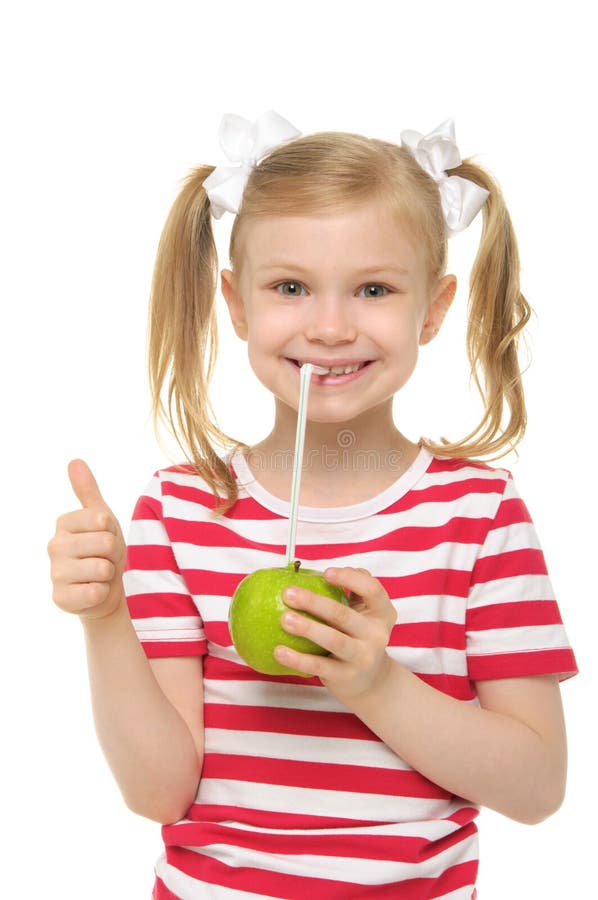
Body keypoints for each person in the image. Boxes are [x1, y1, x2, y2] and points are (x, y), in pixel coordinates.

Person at [48, 110, 578, 899]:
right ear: (236, 302)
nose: (330, 327)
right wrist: (104, 620)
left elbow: (537, 790)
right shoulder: (179, 514)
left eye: (374, 289)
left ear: (432, 308)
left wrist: (376, 684)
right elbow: (158, 793)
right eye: (290, 287)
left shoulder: (480, 519)